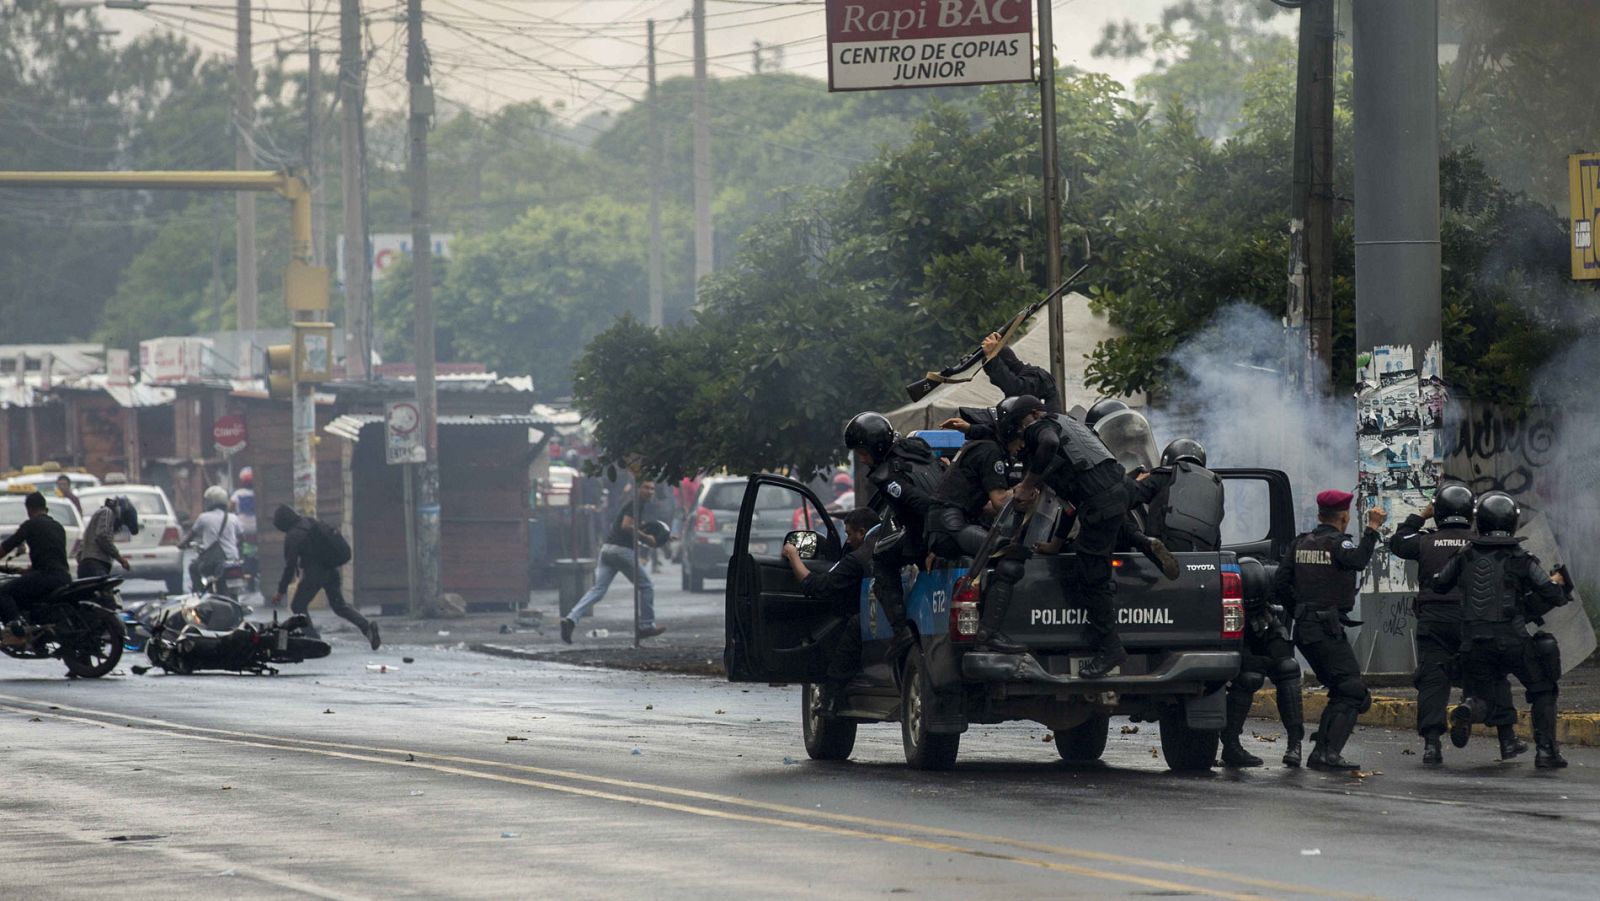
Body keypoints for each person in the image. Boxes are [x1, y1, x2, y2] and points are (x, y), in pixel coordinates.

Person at [1389, 485, 1525, 765]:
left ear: (1438, 512)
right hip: (1472, 621)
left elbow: (1398, 541)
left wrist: (1420, 516)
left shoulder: (1424, 541)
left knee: (1432, 679)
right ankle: (1506, 738)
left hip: (1433, 621)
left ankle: (1431, 745)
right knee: (1491, 674)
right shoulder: (1479, 541)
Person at [1434, 491, 1569, 769]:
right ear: (1511, 522)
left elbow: (1440, 583)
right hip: (1512, 639)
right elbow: (1552, 594)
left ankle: (1469, 710)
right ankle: (1546, 752)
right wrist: (1557, 581)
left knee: (1485, 695)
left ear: (1479, 521)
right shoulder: (1520, 557)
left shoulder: (1465, 555)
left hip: (1473, 642)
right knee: (1543, 689)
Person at [1001, 395, 1130, 677]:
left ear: (1033, 414)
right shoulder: (1069, 425)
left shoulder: (1040, 426)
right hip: (1117, 494)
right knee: (1113, 532)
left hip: (1100, 504)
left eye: (1019, 429)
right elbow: (1070, 507)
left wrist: (1026, 484)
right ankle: (1142, 542)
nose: (1022, 440)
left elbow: (1047, 443)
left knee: (1091, 573)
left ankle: (1110, 649)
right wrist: (1056, 543)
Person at [1273, 489, 1385, 771]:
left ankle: (1323, 750)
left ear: (1319, 514)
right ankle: (1327, 754)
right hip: (1323, 628)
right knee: (1351, 689)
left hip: (1306, 629)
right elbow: (1358, 560)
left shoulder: (1300, 544)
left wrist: (1299, 608)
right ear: (1345, 516)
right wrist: (1372, 528)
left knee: (1342, 688)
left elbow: (1279, 583)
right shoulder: (1339, 544)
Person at [843, 412, 942, 652]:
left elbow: (925, 507)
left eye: (863, 453)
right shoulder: (916, 448)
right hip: (950, 523)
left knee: (882, 560)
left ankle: (902, 632)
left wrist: (936, 545)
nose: (863, 460)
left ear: (876, 448)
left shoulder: (888, 477)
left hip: (932, 531)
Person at [779, 508, 880, 710]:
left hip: (868, 621)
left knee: (839, 662)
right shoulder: (885, 547)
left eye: (850, 534)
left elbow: (817, 587)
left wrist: (793, 556)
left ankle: (832, 702)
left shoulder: (857, 559)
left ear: (861, 532)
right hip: (891, 620)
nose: (848, 541)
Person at [1223, 558, 1306, 768]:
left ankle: (1295, 743)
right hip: (1238, 631)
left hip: (1266, 623)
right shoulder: (1227, 586)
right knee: (1250, 677)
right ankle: (1231, 745)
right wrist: (1257, 662)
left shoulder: (1274, 577)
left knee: (1288, 667)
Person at [561, 480, 666, 643]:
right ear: (637, 488)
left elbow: (636, 529)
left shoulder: (636, 505)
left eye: (652, 488)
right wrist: (646, 538)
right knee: (646, 586)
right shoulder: (635, 504)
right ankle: (646, 626)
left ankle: (571, 619)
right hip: (621, 551)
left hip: (607, 550)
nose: (650, 491)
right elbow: (626, 526)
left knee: (598, 590)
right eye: (646, 487)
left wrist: (660, 538)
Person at [270, 504, 380, 650]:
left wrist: (280, 591)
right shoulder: (309, 521)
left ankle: (313, 640)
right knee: (339, 606)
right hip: (331, 569)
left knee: (298, 605)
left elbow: (290, 566)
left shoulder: (293, 535)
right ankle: (367, 628)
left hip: (314, 574)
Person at [0, 492, 73, 647]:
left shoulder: (31, 525)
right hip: (63, 576)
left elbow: (7, 546)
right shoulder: (58, 526)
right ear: (45, 508)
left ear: (29, 509)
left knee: (4, 592)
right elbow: (51, 554)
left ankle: (16, 634)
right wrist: (26, 571)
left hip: (46, 576)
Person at [980, 333, 1060, 413]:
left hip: (1050, 423)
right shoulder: (1031, 375)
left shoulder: (1036, 378)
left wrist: (992, 358)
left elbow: (1015, 388)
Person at [185, 485, 244, 592]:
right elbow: (241, 537)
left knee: (193, 567)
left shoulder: (203, 518)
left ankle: (201, 592)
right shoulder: (233, 517)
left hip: (212, 561)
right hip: (233, 559)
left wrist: (181, 544)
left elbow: (190, 536)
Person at [76, 495, 138, 577]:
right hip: (95, 564)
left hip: (89, 564)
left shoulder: (100, 515)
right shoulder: (107, 512)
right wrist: (121, 559)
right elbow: (102, 537)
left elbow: (80, 552)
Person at [230, 466, 257, 540]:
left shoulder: (238, 493)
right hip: (257, 527)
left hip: (241, 527)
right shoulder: (258, 494)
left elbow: (230, 509)